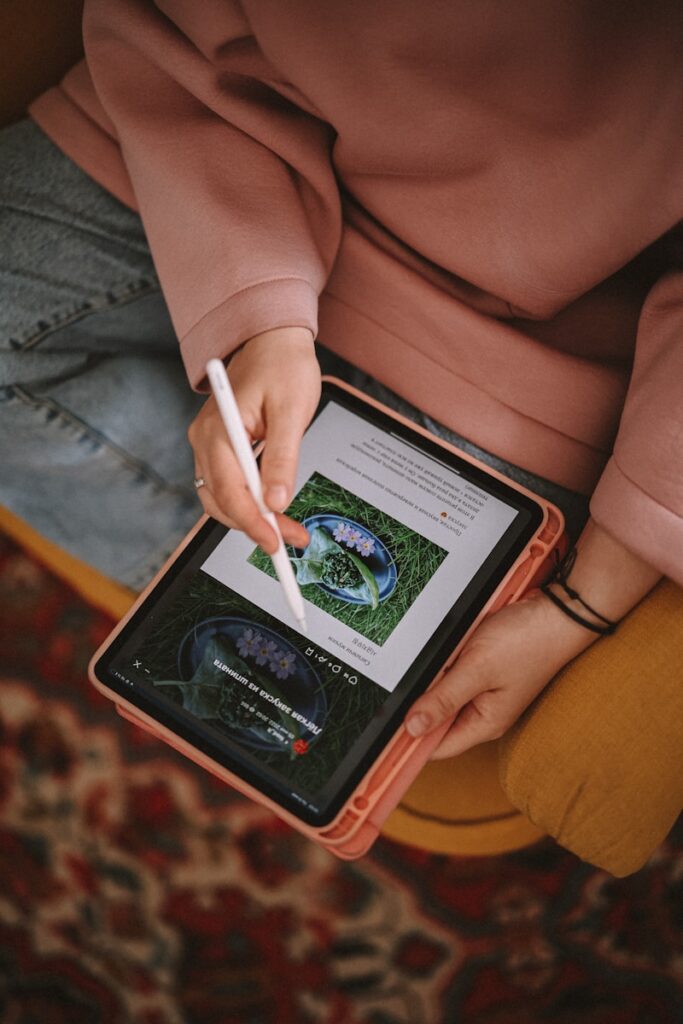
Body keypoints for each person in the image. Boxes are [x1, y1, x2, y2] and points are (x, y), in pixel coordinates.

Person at [2, 1, 680, 762]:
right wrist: (260, 316)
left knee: (390, 706)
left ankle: (237, 608)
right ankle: (227, 598)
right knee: (360, 699)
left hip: (535, 357)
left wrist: (581, 606)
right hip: (218, 144)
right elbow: (175, 28)